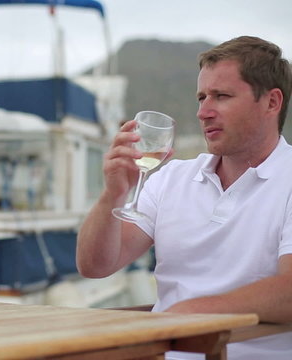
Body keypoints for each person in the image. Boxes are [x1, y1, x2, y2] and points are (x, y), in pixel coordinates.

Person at [76, 36, 292, 360]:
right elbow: (95, 265)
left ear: (272, 102)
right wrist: (114, 194)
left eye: (221, 96)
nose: (203, 112)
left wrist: (189, 312)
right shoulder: (169, 178)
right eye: (201, 97)